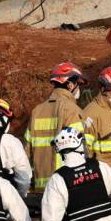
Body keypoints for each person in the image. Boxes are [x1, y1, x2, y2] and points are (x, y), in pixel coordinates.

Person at [26, 62, 90, 194]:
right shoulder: (72, 110)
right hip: (66, 185)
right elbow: (81, 149)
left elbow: (27, 151)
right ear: (70, 85)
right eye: (79, 84)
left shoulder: (36, 111)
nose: (79, 89)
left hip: (41, 186)